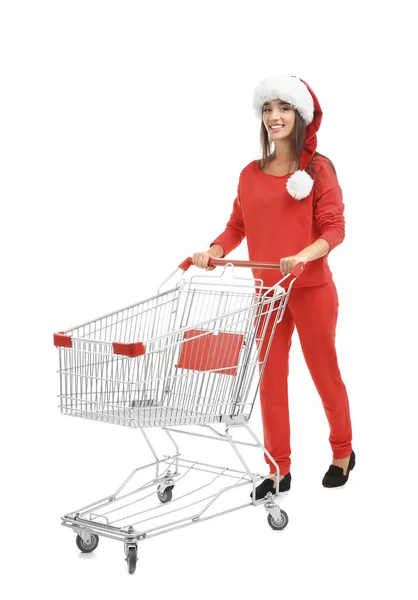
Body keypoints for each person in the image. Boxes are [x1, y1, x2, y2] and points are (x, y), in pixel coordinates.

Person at [192, 74, 355, 500]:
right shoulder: (250, 173)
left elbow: (336, 230)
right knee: (270, 382)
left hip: (312, 291)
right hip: (266, 296)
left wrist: (304, 255)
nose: (274, 117)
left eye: (283, 108)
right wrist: (214, 250)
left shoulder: (318, 170)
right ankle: (277, 469)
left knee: (324, 375)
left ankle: (342, 452)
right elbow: (236, 226)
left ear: (299, 115)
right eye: (267, 109)